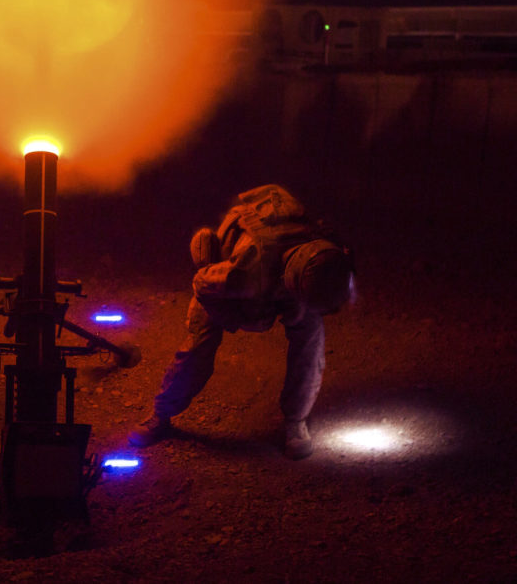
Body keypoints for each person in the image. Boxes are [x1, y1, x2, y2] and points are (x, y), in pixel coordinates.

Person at [129, 184, 355, 459]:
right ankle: (161, 414)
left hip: (287, 281)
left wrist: (296, 306)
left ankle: (296, 420)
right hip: (225, 287)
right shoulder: (244, 272)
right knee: (198, 346)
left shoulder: (326, 257)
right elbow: (201, 284)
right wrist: (235, 316)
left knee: (310, 336)